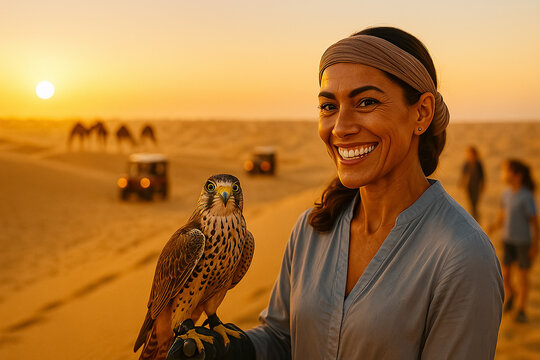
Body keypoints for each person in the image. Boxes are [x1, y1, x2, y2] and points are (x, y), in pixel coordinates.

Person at [168, 26, 504, 360]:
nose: (341, 127)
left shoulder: (462, 256)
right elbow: (286, 339)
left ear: (422, 113)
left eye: (366, 102)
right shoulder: (311, 229)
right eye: (328, 107)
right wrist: (239, 352)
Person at [489, 159, 538, 323]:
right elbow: (503, 216)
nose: (503, 175)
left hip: (523, 242)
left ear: (517, 175)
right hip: (507, 240)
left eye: (506, 171)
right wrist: (494, 226)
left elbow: (535, 223)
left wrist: (535, 247)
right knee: (506, 276)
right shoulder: (506, 194)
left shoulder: (527, 196)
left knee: (523, 277)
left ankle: (521, 309)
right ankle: (512, 295)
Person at [460, 146, 485, 221]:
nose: (470, 156)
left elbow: (482, 176)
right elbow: (463, 175)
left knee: (475, 204)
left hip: (476, 187)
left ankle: (475, 218)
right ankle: (473, 218)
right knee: (471, 203)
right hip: (469, 187)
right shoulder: (466, 164)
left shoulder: (478, 164)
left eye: (472, 154)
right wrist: (462, 184)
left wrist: (483, 186)